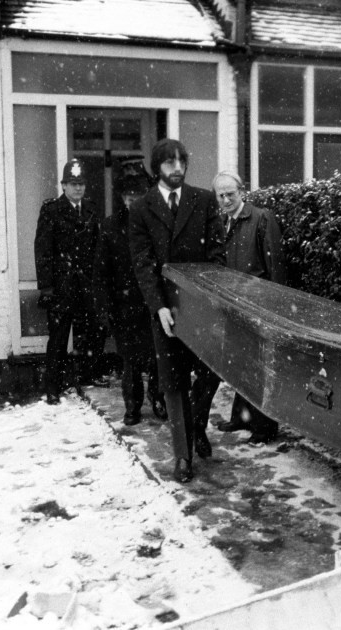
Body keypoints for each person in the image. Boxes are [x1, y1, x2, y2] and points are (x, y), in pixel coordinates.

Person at [129, 139, 226, 483]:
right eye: (169, 163)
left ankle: (197, 425)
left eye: (181, 162)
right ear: (157, 169)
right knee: (173, 381)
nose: (177, 169)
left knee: (212, 371)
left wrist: (207, 301)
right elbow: (142, 264)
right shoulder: (142, 208)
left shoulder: (203, 201)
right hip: (167, 312)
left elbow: (216, 256)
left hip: (200, 308)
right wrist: (159, 308)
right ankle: (182, 455)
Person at [192, 171, 288, 444]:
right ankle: (241, 418)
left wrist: (274, 308)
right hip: (233, 306)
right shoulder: (221, 222)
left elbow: (275, 268)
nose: (225, 199)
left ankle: (263, 429)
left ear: (242, 192)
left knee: (259, 367)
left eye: (230, 194)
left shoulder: (261, 218)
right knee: (239, 364)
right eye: (220, 195)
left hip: (258, 305)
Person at [92, 167, 167, 426]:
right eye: (127, 196)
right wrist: (104, 307)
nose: (131, 201)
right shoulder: (110, 226)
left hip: (155, 304)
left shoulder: (158, 224)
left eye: (137, 195)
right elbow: (100, 272)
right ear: (121, 197)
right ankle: (132, 406)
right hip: (125, 307)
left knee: (159, 357)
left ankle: (158, 398)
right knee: (131, 361)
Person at [35, 158, 108, 406]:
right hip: (62, 286)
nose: (78, 188)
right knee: (58, 338)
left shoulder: (90, 209)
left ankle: (87, 375)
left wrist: (99, 281)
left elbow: (98, 248)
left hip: (86, 285)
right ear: (63, 185)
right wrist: (46, 287)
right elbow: (43, 250)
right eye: (73, 184)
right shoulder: (52, 210)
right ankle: (52, 388)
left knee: (93, 330)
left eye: (81, 184)